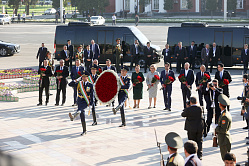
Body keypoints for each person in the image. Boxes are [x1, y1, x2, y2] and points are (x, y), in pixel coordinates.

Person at [69, 71, 94, 136]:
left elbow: (92, 95)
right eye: (82, 76)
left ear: (87, 77)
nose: (83, 78)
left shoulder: (90, 85)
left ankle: (74, 115)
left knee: (81, 110)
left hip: (86, 101)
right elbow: (70, 84)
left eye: (84, 76)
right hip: (79, 100)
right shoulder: (79, 83)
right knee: (82, 115)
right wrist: (77, 80)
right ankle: (84, 130)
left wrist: (91, 104)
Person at [215, 94, 232, 161]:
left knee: (226, 159)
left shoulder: (224, 116)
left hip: (224, 140)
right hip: (224, 139)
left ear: (220, 105)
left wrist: (216, 127)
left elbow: (223, 130)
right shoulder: (224, 113)